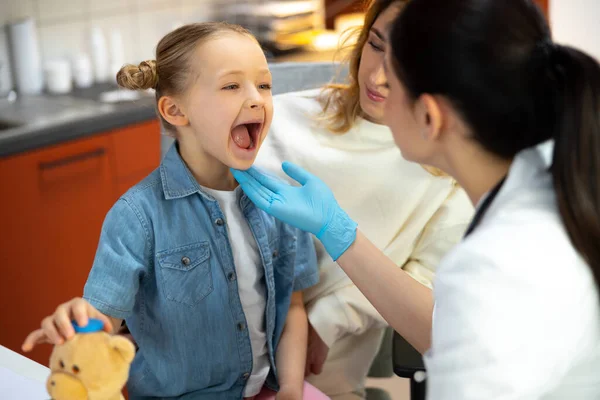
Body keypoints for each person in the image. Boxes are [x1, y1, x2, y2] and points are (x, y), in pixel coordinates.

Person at [232, 0, 600, 397]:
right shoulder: (550, 178)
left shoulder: (492, 266)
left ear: (429, 117)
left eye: (396, 78)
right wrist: (338, 232)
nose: (376, 82)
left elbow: (462, 338)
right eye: (375, 47)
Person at [21, 22, 326, 400]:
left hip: (268, 389)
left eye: (264, 85)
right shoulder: (136, 216)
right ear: (175, 110)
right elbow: (103, 323)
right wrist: (80, 318)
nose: (256, 99)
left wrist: (292, 389)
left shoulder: (282, 202)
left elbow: (292, 305)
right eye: (232, 86)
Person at [254, 0, 473, 398]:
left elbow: (431, 310)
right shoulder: (275, 117)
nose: (378, 76)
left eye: (407, 63)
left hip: (320, 380)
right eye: (375, 44)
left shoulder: (447, 171)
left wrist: (327, 320)